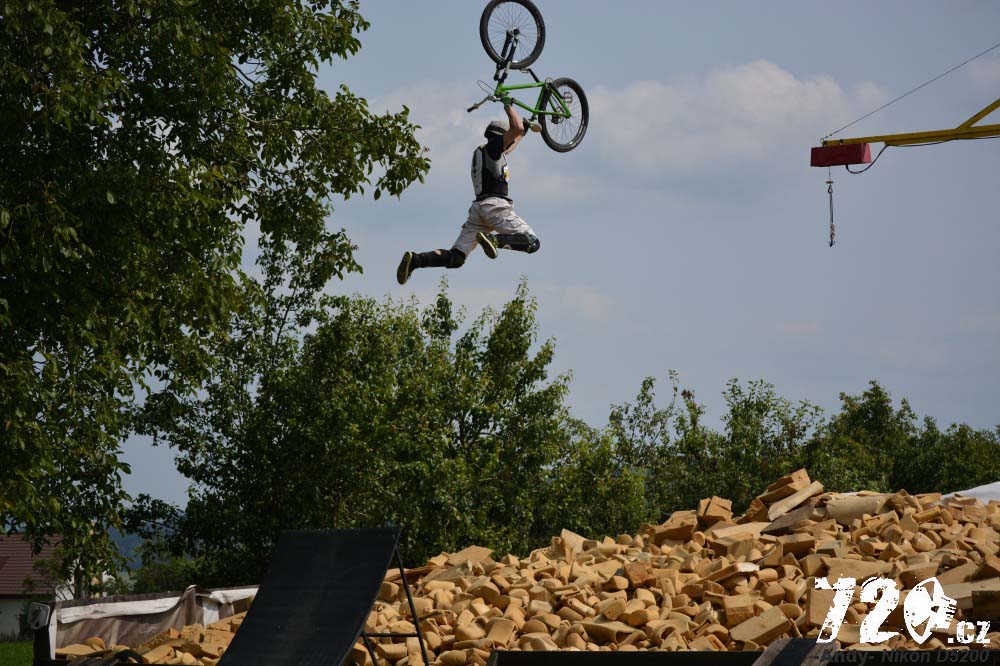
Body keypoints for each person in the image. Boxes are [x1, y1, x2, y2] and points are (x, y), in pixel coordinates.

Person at [396, 101, 541, 285]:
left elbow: (513, 139)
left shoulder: (485, 152)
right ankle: (493, 241)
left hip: (478, 211)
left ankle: (416, 260)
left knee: (456, 257)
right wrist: (508, 107)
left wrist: (524, 131)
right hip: (495, 207)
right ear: (501, 137)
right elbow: (516, 129)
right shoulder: (494, 149)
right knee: (531, 242)